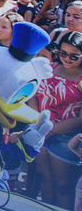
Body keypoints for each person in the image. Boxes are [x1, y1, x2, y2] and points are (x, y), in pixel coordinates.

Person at [35, 30, 82, 210]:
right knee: (45, 180)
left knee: (64, 187)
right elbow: (34, 94)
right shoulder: (51, 67)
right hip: (41, 131)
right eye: (63, 53)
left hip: (67, 138)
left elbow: (80, 120)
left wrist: (49, 129)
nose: (67, 59)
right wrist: (37, 123)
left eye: (74, 56)